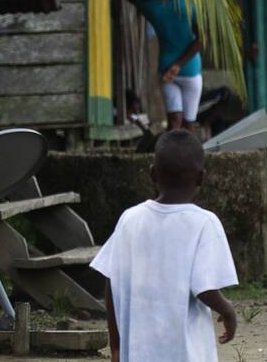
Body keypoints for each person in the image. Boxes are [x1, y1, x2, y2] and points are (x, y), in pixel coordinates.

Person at [91, 129, 238, 362]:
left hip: (138, 353)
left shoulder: (130, 219)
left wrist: (116, 345)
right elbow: (205, 288)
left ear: (151, 174)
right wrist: (227, 309)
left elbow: (112, 283)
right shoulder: (204, 223)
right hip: (186, 353)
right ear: (201, 178)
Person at [121, 0, 204, 132]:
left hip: (166, 71)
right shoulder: (190, 6)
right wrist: (179, 65)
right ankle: (186, 155)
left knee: (173, 122)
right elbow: (201, 40)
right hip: (190, 70)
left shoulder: (153, 7)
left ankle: (169, 155)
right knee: (188, 124)